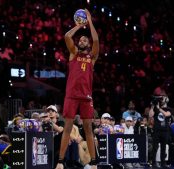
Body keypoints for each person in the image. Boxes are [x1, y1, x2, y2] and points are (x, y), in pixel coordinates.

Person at [55, 8, 99, 169]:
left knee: (88, 128)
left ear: (88, 45)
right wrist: (80, 25)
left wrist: (90, 22)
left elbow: (96, 41)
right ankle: (60, 162)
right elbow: (67, 36)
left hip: (86, 96)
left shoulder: (92, 57)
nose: (81, 40)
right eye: (80, 39)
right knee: (67, 127)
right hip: (72, 95)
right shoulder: (73, 54)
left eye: (84, 40)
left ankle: (93, 163)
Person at [149, 95, 172, 168]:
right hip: (157, 130)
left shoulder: (168, 109)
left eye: (162, 99)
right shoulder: (156, 108)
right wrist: (153, 107)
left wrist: (159, 109)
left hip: (165, 131)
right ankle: (153, 163)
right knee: (155, 147)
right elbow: (150, 115)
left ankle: (163, 163)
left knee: (163, 147)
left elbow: (166, 114)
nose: (161, 100)